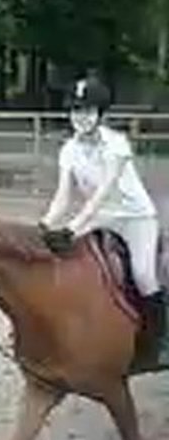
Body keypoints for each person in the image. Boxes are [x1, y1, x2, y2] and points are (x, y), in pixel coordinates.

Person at [39, 75, 165, 326]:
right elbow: (63, 196)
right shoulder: (69, 150)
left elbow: (103, 193)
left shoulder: (116, 144)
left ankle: (161, 334)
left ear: (100, 114)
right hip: (99, 217)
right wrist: (45, 223)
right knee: (67, 258)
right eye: (76, 110)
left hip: (135, 218)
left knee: (143, 275)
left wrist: (72, 228)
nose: (80, 117)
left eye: (87, 111)